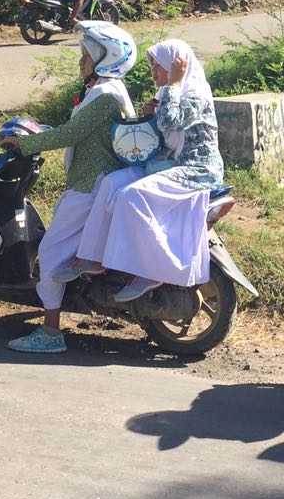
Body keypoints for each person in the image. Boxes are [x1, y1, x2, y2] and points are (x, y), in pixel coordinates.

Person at [0, 22, 138, 353]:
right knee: (65, 253)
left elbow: (70, 135)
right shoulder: (107, 91)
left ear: (106, 59)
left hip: (89, 187)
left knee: (49, 253)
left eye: (86, 55)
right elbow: (76, 129)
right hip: (95, 183)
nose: (81, 61)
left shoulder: (104, 95)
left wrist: (24, 143)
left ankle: (49, 333)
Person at [66, 38, 223, 302]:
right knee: (111, 184)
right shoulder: (166, 93)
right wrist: (150, 112)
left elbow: (170, 120)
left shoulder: (195, 96)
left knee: (132, 196)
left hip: (196, 169)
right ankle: (94, 257)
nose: (154, 72)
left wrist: (172, 85)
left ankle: (154, 269)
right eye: (152, 65)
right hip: (168, 163)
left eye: (158, 66)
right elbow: (161, 131)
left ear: (175, 68)